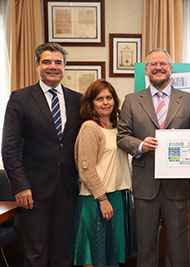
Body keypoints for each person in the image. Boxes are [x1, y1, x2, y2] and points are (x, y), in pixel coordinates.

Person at [117, 48, 190, 267]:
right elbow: (122, 137)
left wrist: (181, 141)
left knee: (179, 245)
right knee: (145, 247)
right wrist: (141, 145)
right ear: (146, 69)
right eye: (153, 64)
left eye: (163, 64)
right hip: (146, 186)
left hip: (178, 186)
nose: (158, 67)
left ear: (171, 69)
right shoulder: (132, 100)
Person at [1, 42, 82, 266]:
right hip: (33, 190)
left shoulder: (78, 99)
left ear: (65, 66)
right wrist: (20, 185)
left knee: (64, 253)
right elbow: (9, 147)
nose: (52, 66)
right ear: (37, 65)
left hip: (68, 190)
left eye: (58, 62)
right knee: (35, 254)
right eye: (47, 62)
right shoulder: (20, 98)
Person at [73, 79, 137, 266]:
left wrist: (129, 192)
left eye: (109, 97)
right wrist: (102, 199)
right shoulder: (90, 128)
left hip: (118, 196)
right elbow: (86, 170)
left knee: (112, 255)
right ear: (91, 103)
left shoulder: (119, 129)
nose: (105, 102)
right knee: (94, 254)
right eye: (99, 98)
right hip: (97, 199)